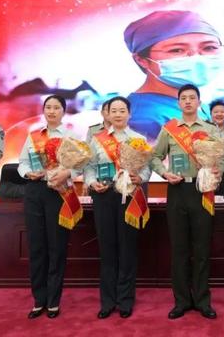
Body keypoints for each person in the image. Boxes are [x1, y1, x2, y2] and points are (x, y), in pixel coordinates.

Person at [150, 84, 223, 320]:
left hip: (203, 191)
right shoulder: (169, 129)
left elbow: (221, 159)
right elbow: (154, 157)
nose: (188, 101)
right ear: (179, 103)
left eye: (193, 98)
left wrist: (217, 172)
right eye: (184, 98)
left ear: (199, 102)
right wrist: (165, 173)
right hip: (177, 190)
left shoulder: (210, 129)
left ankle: (202, 301)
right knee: (179, 249)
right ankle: (181, 301)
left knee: (202, 249)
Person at [84, 97, 151, 319]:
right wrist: (91, 182)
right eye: (114, 110)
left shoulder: (139, 139)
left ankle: (125, 300)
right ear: (107, 114)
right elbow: (89, 167)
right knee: (107, 249)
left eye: (122, 110)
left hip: (129, 196)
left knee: (127, 249)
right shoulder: (97, 139)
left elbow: (147, 168)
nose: (118, 114)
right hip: (104, 196)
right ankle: (107, 301)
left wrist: (140, 177)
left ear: (129, 114)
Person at [17, 95, 79, 319]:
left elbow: (81, 165)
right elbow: (22, 163)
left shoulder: (71, 135)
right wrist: (28, 173)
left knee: (57, 246)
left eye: (56, 108)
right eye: (48, 107)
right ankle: (38, 300)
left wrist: (67, 173)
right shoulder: (34, 135)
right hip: (35, 191)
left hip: (59, 193)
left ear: (63, 111)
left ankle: (53, 301)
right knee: (36, 247)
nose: (52, 111)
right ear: (44, 111)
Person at [125, 10, 223, 139]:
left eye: (209, 48)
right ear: (141, 60)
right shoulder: (142, 120)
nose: (196, 58)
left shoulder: (195, 105)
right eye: (176, 50)